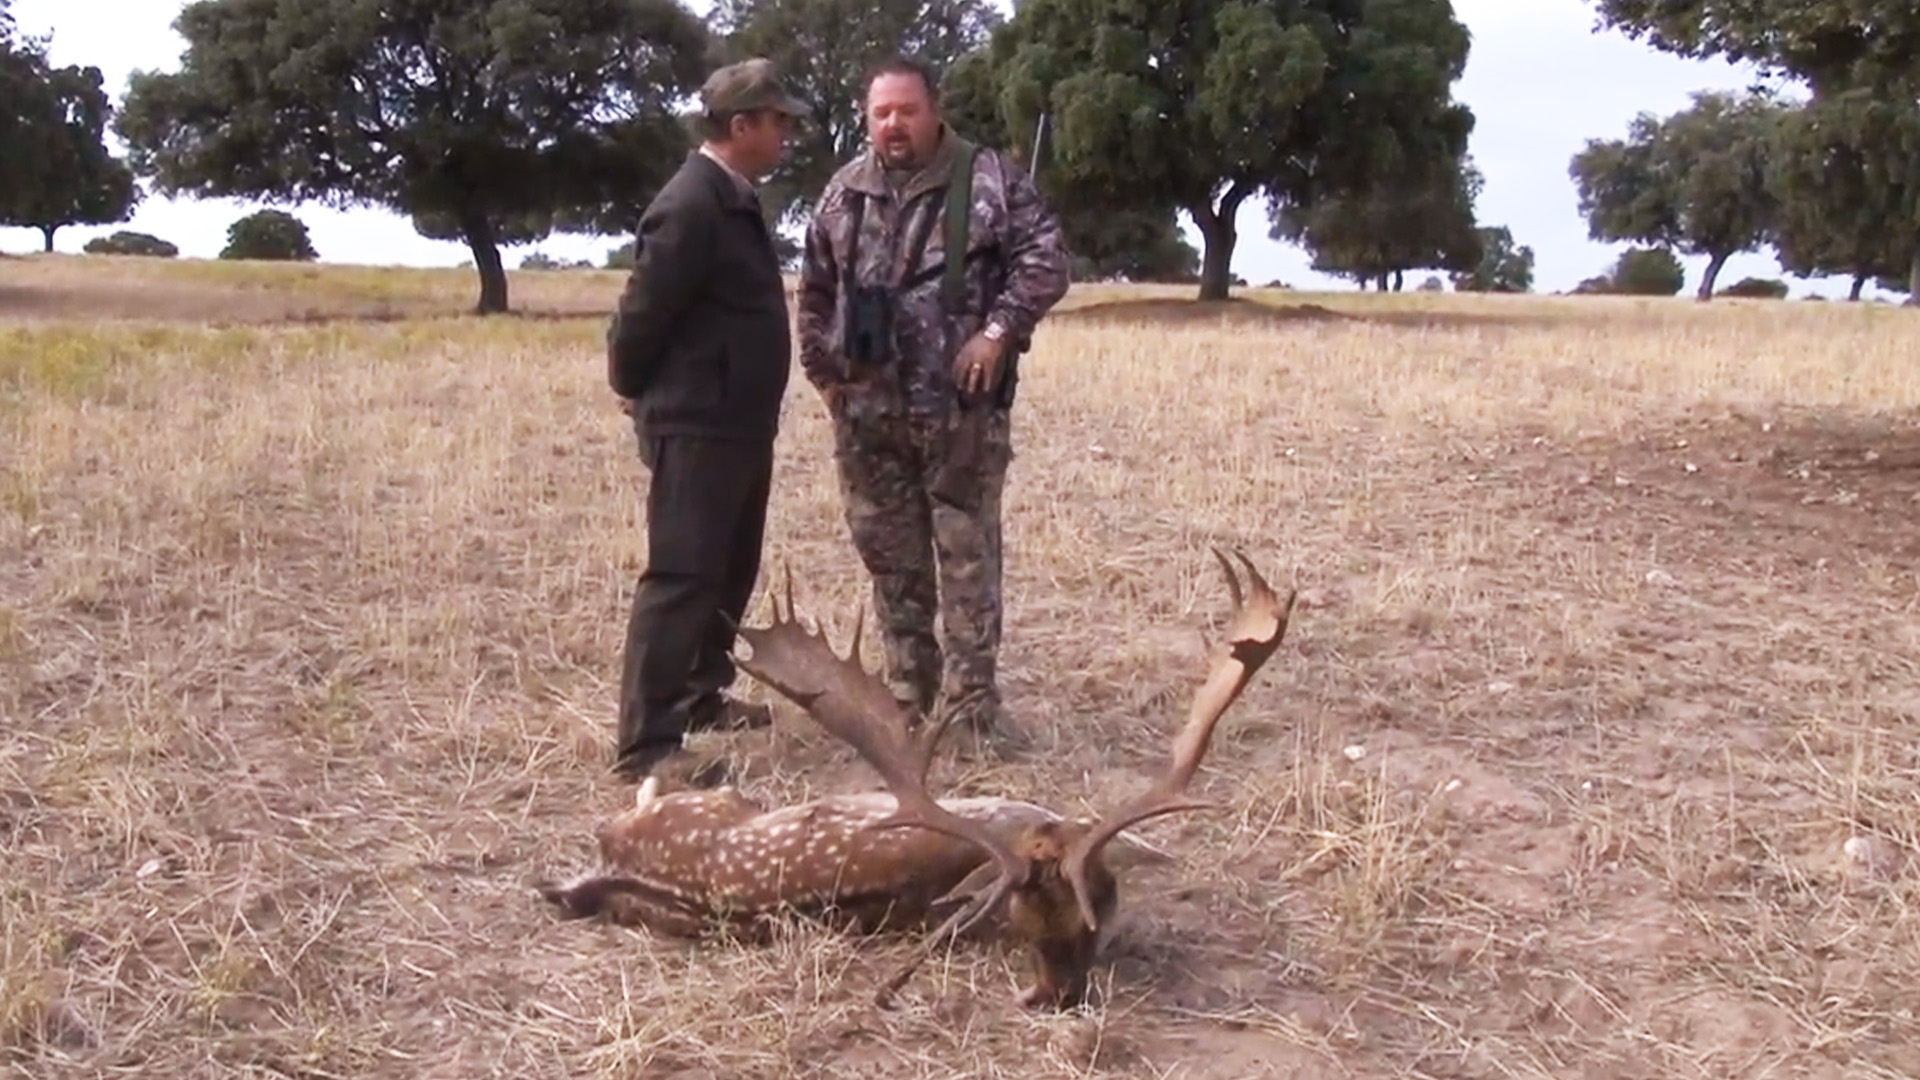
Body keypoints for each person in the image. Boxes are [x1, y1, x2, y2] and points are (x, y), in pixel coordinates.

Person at [795, 55, 1070, 753]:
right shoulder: (843, 193)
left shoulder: (991, 179)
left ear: (934, 110)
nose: (894, 124)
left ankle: (971, 713)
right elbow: (815, 292)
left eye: (907, 111)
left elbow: (1047, 262)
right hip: (868, 420)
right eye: (881, 113)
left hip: (959, 415)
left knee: (967, 562)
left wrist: (997, 332)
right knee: (892, 562)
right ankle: (908, 701)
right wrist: (825, 377)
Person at [605, 58, 808, 785]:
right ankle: (647, 745)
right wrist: (631, 384)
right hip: (697, 423)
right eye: (778, 121)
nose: (787, 134)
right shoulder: (691, 204)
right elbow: (643, 311)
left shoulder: (734, 198)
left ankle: (699, 694)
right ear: (740, 125)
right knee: (683, 574)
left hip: (737, 422)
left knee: (727, 568)